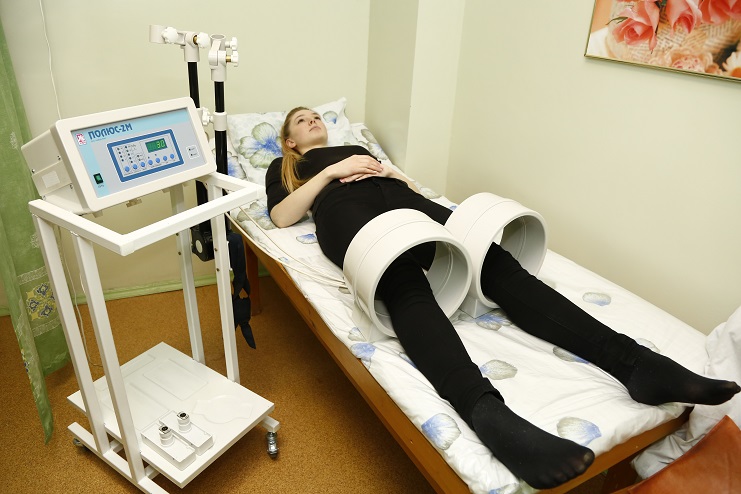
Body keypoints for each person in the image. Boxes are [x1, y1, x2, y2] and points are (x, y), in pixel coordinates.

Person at [265, 107, 740, 489]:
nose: (314, 120)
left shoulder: (359, 148)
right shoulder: (288, 167)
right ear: (290, 142)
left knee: (491, 260)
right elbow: (282, 217)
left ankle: (635, 365)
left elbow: (409, 189)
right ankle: (487, 413)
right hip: (346, 210)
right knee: (399, 276)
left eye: (317, 115)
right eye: (301, 121)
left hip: (400, 196)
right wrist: (333, 173)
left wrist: (393, 173)